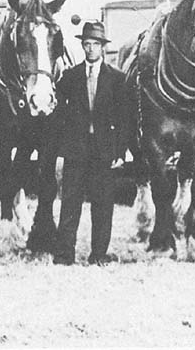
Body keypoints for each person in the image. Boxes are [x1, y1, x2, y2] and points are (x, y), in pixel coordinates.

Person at [52, 20, 129, 266]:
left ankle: (99, 255)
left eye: (96, 44)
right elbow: (58, 115)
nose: (91, 49)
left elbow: (124, 118)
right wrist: (63, 146)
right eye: (87, 44)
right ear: (82, 46)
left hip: (104, 151)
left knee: (103, 205)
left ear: (103, 47)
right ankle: (64, 255)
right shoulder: (69, 78)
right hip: (76, 150)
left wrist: (120, 151)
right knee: (70, 204)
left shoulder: (117, 79)